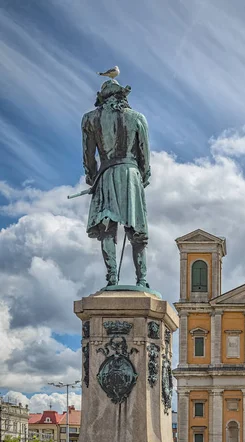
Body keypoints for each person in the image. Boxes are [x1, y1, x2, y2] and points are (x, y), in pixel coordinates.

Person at [82, 78, 151, 288]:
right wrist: (143, 176)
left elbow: (88, 155)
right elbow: (144, 155)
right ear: (122, 96)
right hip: (131, 175)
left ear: (102, 98)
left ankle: (111, 277)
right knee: (137, 231)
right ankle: (142, 280)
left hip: (106, 174)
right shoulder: (138, 118)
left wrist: (92, 177)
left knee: (107, 229)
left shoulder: (90, 119)